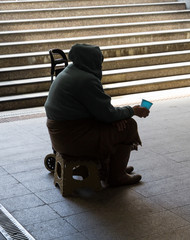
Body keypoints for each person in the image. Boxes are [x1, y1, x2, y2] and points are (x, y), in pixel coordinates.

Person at [44, 43, 149, 187]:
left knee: (118, 122)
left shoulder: (69, 71)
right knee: (128, 126)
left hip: (61, 136)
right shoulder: (85, 80)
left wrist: (114, 118)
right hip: (73, 139)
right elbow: (107, 114)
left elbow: (100, 111)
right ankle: (117, 176)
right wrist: (133, 111)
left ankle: (113, 168)